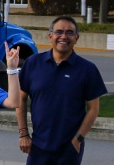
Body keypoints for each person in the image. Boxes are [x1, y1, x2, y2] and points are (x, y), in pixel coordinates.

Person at [16, 16, 108, 164]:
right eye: (59, 32)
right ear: (50, 36)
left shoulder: (87, 69)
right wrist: (23, 134)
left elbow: (93, 109)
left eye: (70, 32)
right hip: (38, 146)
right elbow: (20, 99)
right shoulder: (33, 63)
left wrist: (78, 138)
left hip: (69, 148)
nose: (64, 37)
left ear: (76, 38)